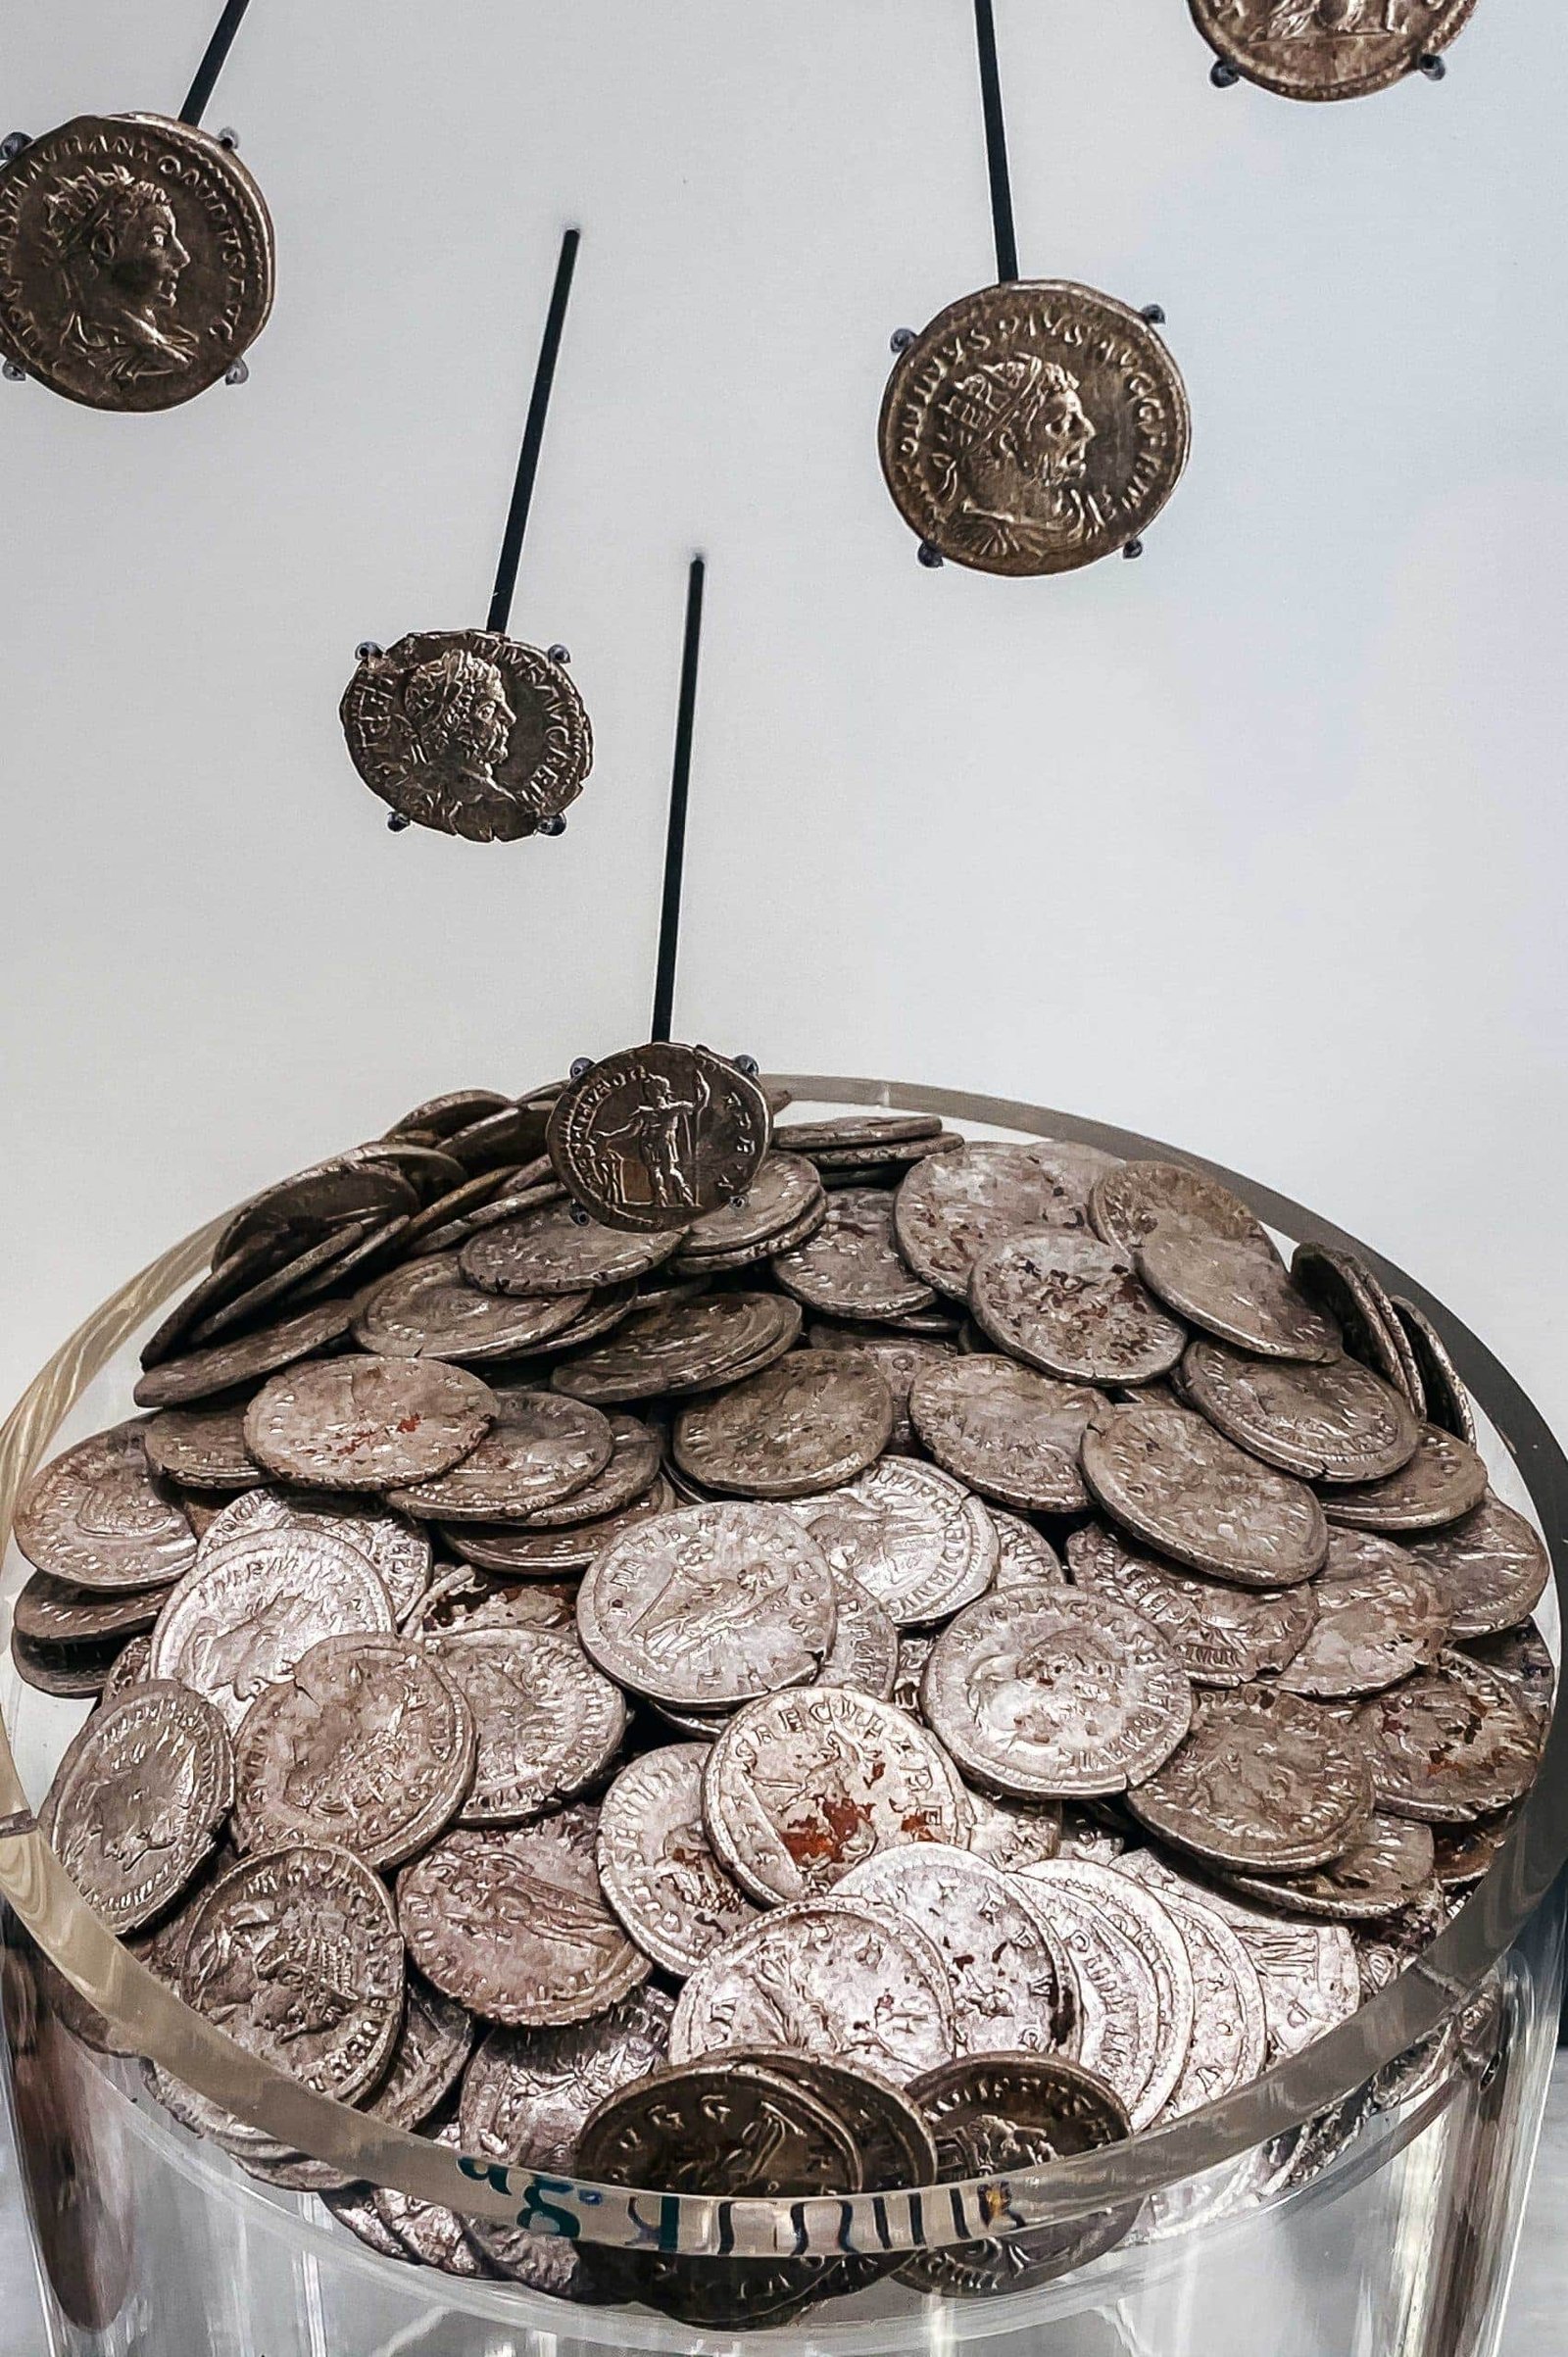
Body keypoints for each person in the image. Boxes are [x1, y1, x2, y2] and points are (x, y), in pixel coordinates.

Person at [933, 353, 1099, 564]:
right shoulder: (985, 542)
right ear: (1007, 443)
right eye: (1062, 425)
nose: (1088, 431)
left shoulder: (1087, 513)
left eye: (1080, 419)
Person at [43, 166, 196, 389]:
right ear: (104, 247)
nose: (183, 257)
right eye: (158, 240)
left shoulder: (177, 339)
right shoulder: (91, 350)